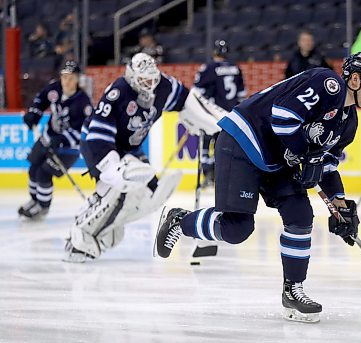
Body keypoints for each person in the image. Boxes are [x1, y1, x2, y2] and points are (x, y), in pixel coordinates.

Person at [155, 53, 361, 323]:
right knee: (236, 229)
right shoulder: (327, 83)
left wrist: (340, 203)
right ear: (355, 79)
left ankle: (293, 290)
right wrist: (307, 155)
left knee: (300, 215)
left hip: (278, 159)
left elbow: (327, 165)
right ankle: (179, 221)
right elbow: (283, 117)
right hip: (244, 141)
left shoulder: (348, 123)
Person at [64, 52, 222, 263]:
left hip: (129, 148)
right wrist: (111, 168)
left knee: (148, 191)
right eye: (143, 80)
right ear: (131, 76)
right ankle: (79, 238)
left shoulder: (164, 85)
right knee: (117, 189)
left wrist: (209, 120)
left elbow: (187, 99)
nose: (149, 85)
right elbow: (97, 133)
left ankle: (107, 226)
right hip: (98, 145)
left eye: (152, 80)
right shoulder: (118, 92)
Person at [18, 61, 92, 219]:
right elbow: (40, 100)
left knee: (44, 174)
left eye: (71, 77)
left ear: (78, 79)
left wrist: (62, 139)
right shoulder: (54, 88)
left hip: (68, 148)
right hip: (47, 137)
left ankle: (43, 207)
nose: (67, 81)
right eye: (64, 77)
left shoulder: (83, 103)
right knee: (33, 169)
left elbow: (82, 131)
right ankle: (34, 200)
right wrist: (34, 114)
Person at [193, 39, 246, 187]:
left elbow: (196, 92)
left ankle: (208, 175)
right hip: (231, 116)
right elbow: (241, 95)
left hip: (212, 114)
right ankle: (221, 177)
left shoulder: (209, 68)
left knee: (205, 144)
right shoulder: (236, 68)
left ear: (214, 52)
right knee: (223, 146)